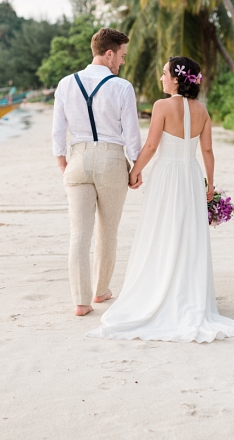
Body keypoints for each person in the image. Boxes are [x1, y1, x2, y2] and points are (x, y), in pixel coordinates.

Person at [86, 56, 234, 343]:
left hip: (166, 175)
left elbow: (151, 145)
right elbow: (208, 151)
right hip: (190, 175)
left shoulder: (162, 106)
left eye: (164, 74)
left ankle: (159, 290)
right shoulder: (202, 110)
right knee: (188, 234)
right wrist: (210, 184)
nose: (161, 78)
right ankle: (187, 294)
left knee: (160, 230)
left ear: (177, 78)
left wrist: (134, 171)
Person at [52, 28, 142, 317]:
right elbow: (131, 133)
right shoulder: (122, 87)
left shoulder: (66, 83)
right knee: (108, 231)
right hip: (112, 160)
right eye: (122, 56)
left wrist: (63, 160)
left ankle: (80, 301)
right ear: (109, 53)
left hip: (77, 158)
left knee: (79, 234)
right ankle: (100, 291)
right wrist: (136, 166)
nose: (123, 63)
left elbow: (57, 131)